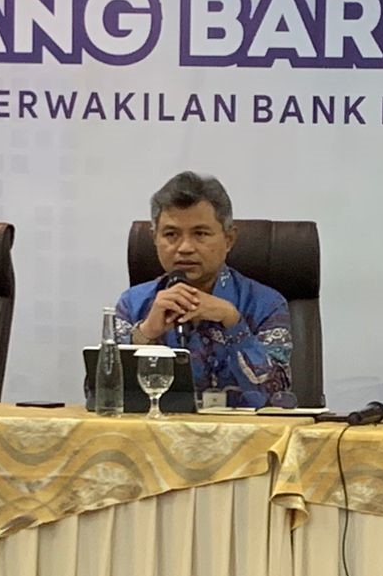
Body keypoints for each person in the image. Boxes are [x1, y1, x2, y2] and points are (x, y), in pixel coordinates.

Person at [114, 171, 292, 406]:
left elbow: (277, 399)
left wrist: (234, 323)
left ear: (229, 239)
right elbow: (101, 397)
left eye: (200, 234)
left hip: (241, 430)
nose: (185, 248)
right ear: (155, 238)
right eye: (171, 234)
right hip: (158, 428)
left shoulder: (266, 305)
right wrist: (145, 334)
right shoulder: (133, 304)